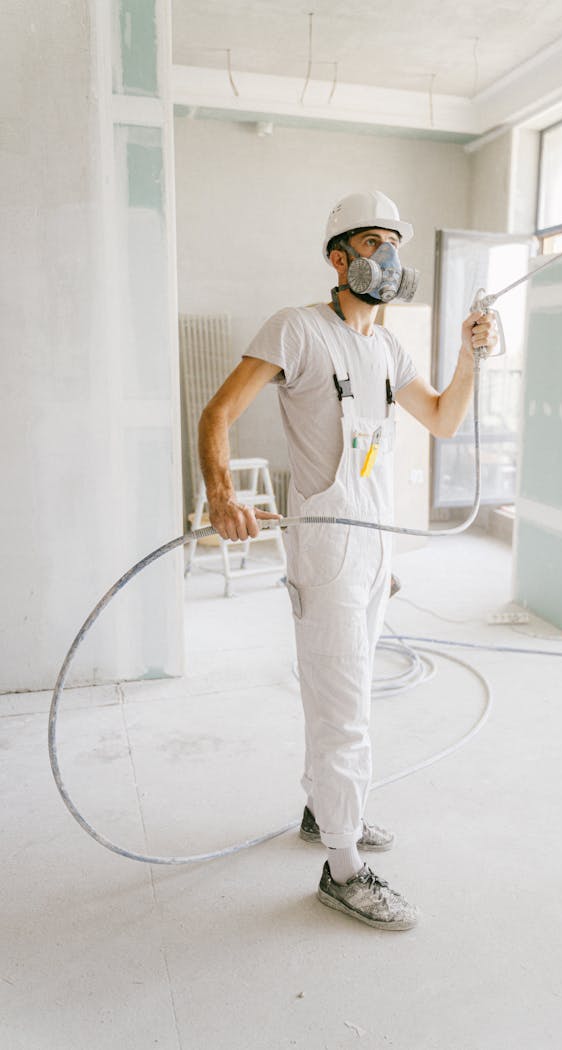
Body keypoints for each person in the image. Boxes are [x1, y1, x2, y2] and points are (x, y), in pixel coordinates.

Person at [198, 190, 498, 931]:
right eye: (373, 243)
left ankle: (321, 812)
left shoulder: (388, 348)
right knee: (345, 710)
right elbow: (217, 413)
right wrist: (220, 495)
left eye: (395, 242)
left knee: (347, 694)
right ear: (339, 259)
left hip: (372, 541)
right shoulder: (297, 330)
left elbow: (443, 418)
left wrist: (469, 355)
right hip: (326, 546)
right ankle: (343, 868)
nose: (388, 256)